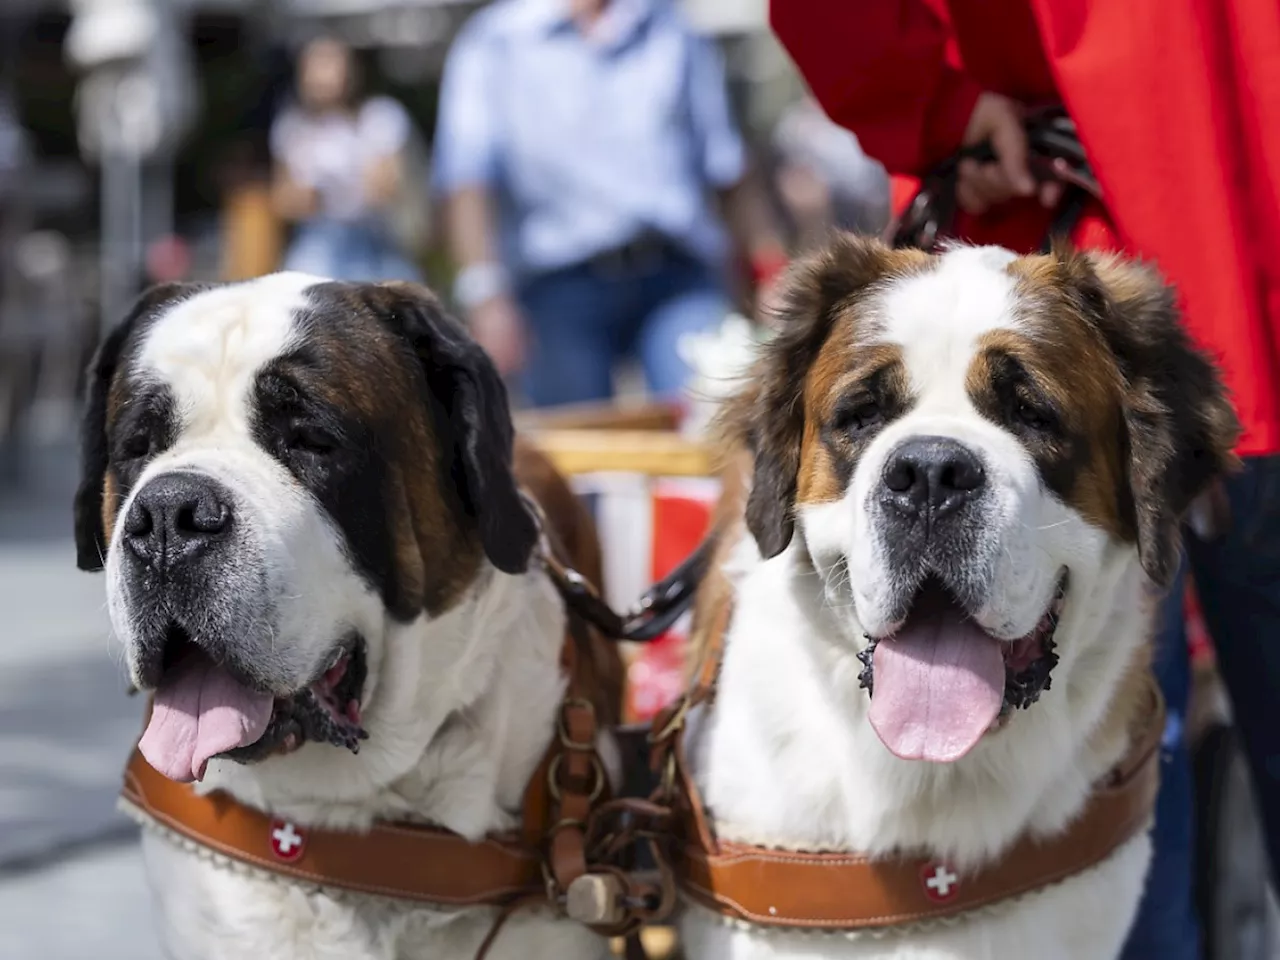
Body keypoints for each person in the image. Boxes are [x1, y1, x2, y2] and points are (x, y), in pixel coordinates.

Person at [769, 2, 1280, 958]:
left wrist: (937, 103)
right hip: (1127, 284)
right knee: (1095, 820)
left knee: (1104, 826)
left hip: (1066, 234)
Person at [432, 0, 787, 408]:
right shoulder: (493, 42)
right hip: (556, 288)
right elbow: (467, 181)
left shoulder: (671, 27)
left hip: (678, 275)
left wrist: (770, 270)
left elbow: (726, 166)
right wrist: (486, 297)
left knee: (715, 424)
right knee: (574, 452)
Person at [269, 36, 420, 283]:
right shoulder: (292, 125)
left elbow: (388, 188)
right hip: (319, 239)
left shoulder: (379, 116)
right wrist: (308, 196)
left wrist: (355, 182)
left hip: (373, 238)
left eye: (330, 63)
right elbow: (283, 200)